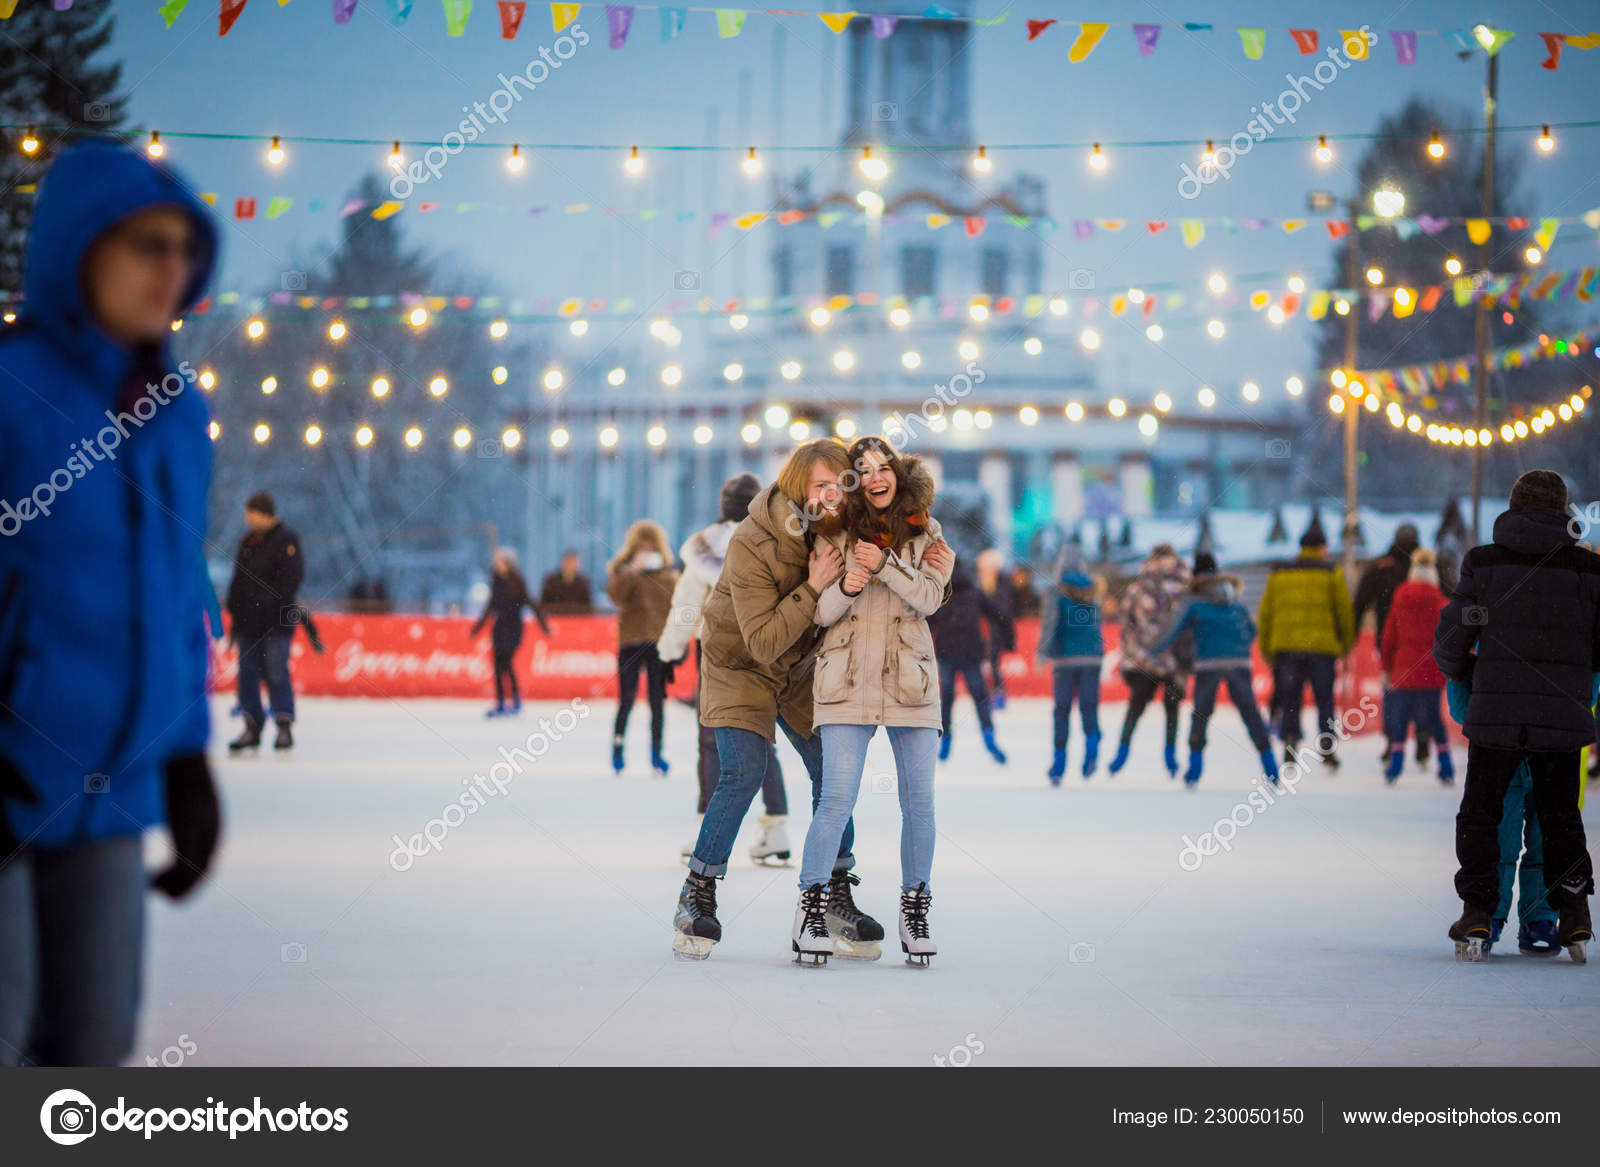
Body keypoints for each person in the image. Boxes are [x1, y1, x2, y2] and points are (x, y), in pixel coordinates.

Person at [0, 142, 221, 1066]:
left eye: (182, 249)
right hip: (10, 789)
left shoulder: (172, 413)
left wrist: (184, 759)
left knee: (92, 1051)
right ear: (78, 249)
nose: (169, 269)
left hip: (112, 796)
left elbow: (173, 599)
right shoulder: (12, 393)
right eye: (144, 245)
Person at [671, 439, 953, 960]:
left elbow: (900, 529)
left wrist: (928, 543)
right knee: (743, 773)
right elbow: (762, 641)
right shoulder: (753, 541)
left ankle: (835, 895)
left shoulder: (842, 526)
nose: (831, 495)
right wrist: (816, 585)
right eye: (819, 486)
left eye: (838, 485)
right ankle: (699, 891)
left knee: (831, 774)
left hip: (800, 666)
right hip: (741, 666)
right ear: (797, 484)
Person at [795, 437, 952, 966]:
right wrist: (849, 582)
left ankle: (916, 908)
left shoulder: (927, 532)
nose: (876, 477)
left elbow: (930, 598)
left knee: (920, 804)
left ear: (898, 475)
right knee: (836, 799)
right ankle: (810, 908)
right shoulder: (835, 535)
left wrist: (885, 565)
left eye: (884, 467)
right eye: (863, 471)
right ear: (853, 482)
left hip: (910, 681)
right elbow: (821, 611)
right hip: (847, 679)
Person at [1434, 469, 1597, 961]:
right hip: (1561, 718)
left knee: (1482, 815)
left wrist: (1468, 672)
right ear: (1564, 510)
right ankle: (1572, 916)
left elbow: (1451, 641)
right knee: (1561, 817)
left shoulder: (1483, 564)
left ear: (1513, 504)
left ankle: (1479, 910)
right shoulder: (1591, 573)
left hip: (1496, 715)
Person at [657, 473, 789, 866]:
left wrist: (669, 651)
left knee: (711, 741)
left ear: (723, 505)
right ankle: (776, 827)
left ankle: (706, 824)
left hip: (719, 656)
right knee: (762, 740)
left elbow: (685, 607)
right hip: (765, 650)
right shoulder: (774, 539)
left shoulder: (705, 547)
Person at [1152, 552, 1277, 786]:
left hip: (1208, 662)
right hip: (1238, 662)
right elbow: (1250, 629)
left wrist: (1151, 650)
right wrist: (1236, 649)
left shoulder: (1194, 599)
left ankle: (1194, 769)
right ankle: (1270, 766)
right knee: (1250, 712)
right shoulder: (1233, 597)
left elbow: (1172, 629)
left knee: (1201, 713)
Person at [1258, 521, 1354, 768]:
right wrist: (1346, 643)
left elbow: (1266, 612)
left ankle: (1290, 744)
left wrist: (1267, 648)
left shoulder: (1280, 573)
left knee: (1291, 698)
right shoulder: (1332, 573)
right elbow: (1343, 611)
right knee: (1325, 700)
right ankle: (1327, 748)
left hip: (1287, 649)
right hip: (1322, 649)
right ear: (1321, 547)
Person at [226, 491, 305, 752]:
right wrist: (235, 612)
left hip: (276, 622)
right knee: (247, 675)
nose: (248, 519)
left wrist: (266, 605)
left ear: (264, 514)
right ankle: (251, 725)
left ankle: (283, 726)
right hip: (248, 623)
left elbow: (291, 580)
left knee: (276, 671)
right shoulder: (248, 541)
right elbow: (238, 580)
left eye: (252, 514)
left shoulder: (286, 540)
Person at [1109, 543, 1191, 778]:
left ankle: (1121, 753)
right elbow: (1191, 627)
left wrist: (1133, 656)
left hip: (1144, 659)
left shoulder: (1140, 587)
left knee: (1135, 708)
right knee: (1172, 709)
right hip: (1175, 661)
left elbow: (1126, 625)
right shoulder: (1185, 586)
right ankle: (1171, 757)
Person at [605, 521, 679, 776]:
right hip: (630, 642)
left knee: (657, 702)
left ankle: (657, 755)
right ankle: (618, 750)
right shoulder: (623, 571)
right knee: (626, 699)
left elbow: (677, 606)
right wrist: (632, 572)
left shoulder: (668, 574)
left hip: (658, 644)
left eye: (651, 546)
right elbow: (614, 596)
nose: (646, 550)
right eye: (641, 546)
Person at [1377, 549, 1453, 783]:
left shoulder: (1400, 596)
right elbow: (1450, 638)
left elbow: (1389, 636)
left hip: (1404, 670)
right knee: (1433, 719)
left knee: (1400, 719)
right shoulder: (1442, 602)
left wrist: (1386, 666)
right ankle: (1446, 768)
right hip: (1431, 671)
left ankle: (1395, 768)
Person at [1356, 523, 1429, 765]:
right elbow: (1450, 595)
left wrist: (1354, 629)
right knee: (1423, 689)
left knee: (1392, 690)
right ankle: (1422, 737)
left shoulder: (1381, 566)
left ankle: (1392, 741)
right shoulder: (1427, 565)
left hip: (1389, 640)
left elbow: (1361, 600)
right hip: (1424, 641)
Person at [928, 560, 1007, 765]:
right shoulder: (975, 594)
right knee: (980, 697)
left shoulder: (941, 595)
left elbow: (927, 621)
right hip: (971, 652)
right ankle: (989, 737)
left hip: (947, 651)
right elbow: (1000, 614)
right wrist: (1008, 639)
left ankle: (945, 740)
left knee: (946, 698)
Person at [1037, 549, 1105, 783]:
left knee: (1062, 709)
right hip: (1093, 658)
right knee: (1089, 706)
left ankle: (1059, 764)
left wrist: (1042, 653)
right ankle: (1092, 744)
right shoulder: (1094, 591)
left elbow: (1050, 624)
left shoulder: (1055, 593)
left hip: (1065, 659)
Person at [469, 548, 550, 718]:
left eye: (501, 562)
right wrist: (477, 628)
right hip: (499, 629)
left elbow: (531, 603)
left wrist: (543, 625)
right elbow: (490, 607)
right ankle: (500, 702)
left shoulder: (517, 583)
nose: (498, 566)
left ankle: (515, 700)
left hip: (513, 629)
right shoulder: (497, 583)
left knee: (507, 663)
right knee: (498, 666)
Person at [976, 549, 1016, 710]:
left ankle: (998, 694)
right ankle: (991, 693)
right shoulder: (981, 583)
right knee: (986, 662)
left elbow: (1003, 610)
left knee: (993, 661)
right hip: (984, 629)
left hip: (996, 630)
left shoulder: (1002, 584)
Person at [539, 549, 594, 615]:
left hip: (577, 619)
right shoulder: (551, 581)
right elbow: (544, 603)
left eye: (573, 562)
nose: (570, 565)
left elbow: (588, 606)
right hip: (555, 617)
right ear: (562, 562)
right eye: (568, 561)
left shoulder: (583, 582)